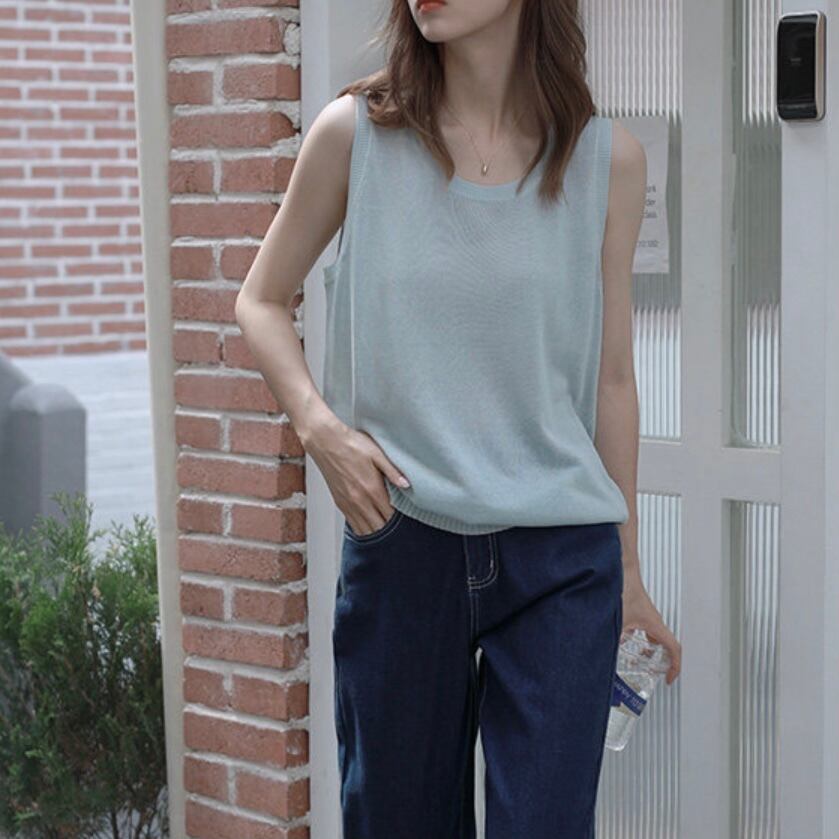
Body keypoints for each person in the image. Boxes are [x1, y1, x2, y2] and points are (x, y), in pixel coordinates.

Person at [235, 1, 682, 836]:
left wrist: (628, 573)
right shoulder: (353, 136)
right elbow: (259, 298)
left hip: (561, 559)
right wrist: (320, 431)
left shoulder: (606, 161)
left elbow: (612, 379)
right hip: (404, 539)